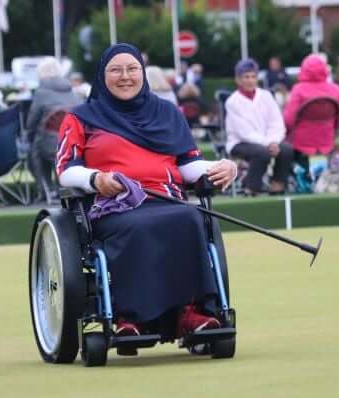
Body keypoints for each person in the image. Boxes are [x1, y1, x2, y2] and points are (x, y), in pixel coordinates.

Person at [55, 43, 237, 341]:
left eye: (132, 69)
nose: (124, 76)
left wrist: (220, 167)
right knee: (138, 225)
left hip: (167, 199)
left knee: (191, 218)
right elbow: (66, 170)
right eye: (115, 70)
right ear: (103, 75)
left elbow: (188, 165)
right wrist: (96, 178)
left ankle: (191, 313)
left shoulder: (168, 113)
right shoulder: (80, 118)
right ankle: (128, 315)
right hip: (114, 205)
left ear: (143, 73)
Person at [225, 58, 292, 196]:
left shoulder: (266, 96)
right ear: (238, 80)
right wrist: (269, 144)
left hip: (267, 141)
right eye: (246, 77)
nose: (250, 80)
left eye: (254, 76)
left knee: (286, 149)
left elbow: (277, 123)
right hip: (239, 143)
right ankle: (251, 189)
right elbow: (244, 132)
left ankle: (277, 186)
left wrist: (274, 141)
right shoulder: (232, 102)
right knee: (262, 153)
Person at [27, 57, 82, 203]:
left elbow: (32, 122)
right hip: (73, 143)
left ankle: (46, 189)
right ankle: (59, 188)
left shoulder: (40, 93)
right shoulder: (73, 93)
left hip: (50, 145)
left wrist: (28, 137)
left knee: (34, 149)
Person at [283, 54, 339, 156]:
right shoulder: (335, 90)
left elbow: (287, 121)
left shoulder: (298, 90)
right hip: (327, 142)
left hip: (300, 144)